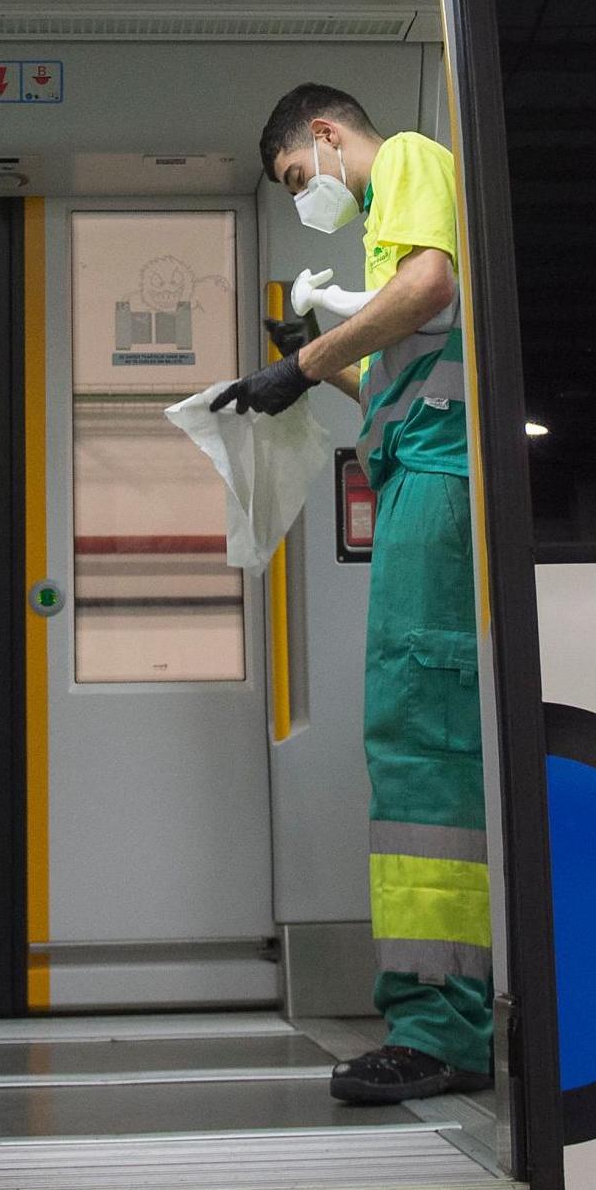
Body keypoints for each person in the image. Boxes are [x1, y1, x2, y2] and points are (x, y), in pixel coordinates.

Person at [209, 82, 492, 1105]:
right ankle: (452, 1012)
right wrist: (305, 368)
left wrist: (315, 354)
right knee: (435, 741)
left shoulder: (409, 157)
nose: (302, 195)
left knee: (418, 743)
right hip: (431, 476)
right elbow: (399, 369)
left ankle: (438, 1025)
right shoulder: (383, 228)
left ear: (326, 137)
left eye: (295, 176)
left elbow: (424, 285)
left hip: (442, 484)